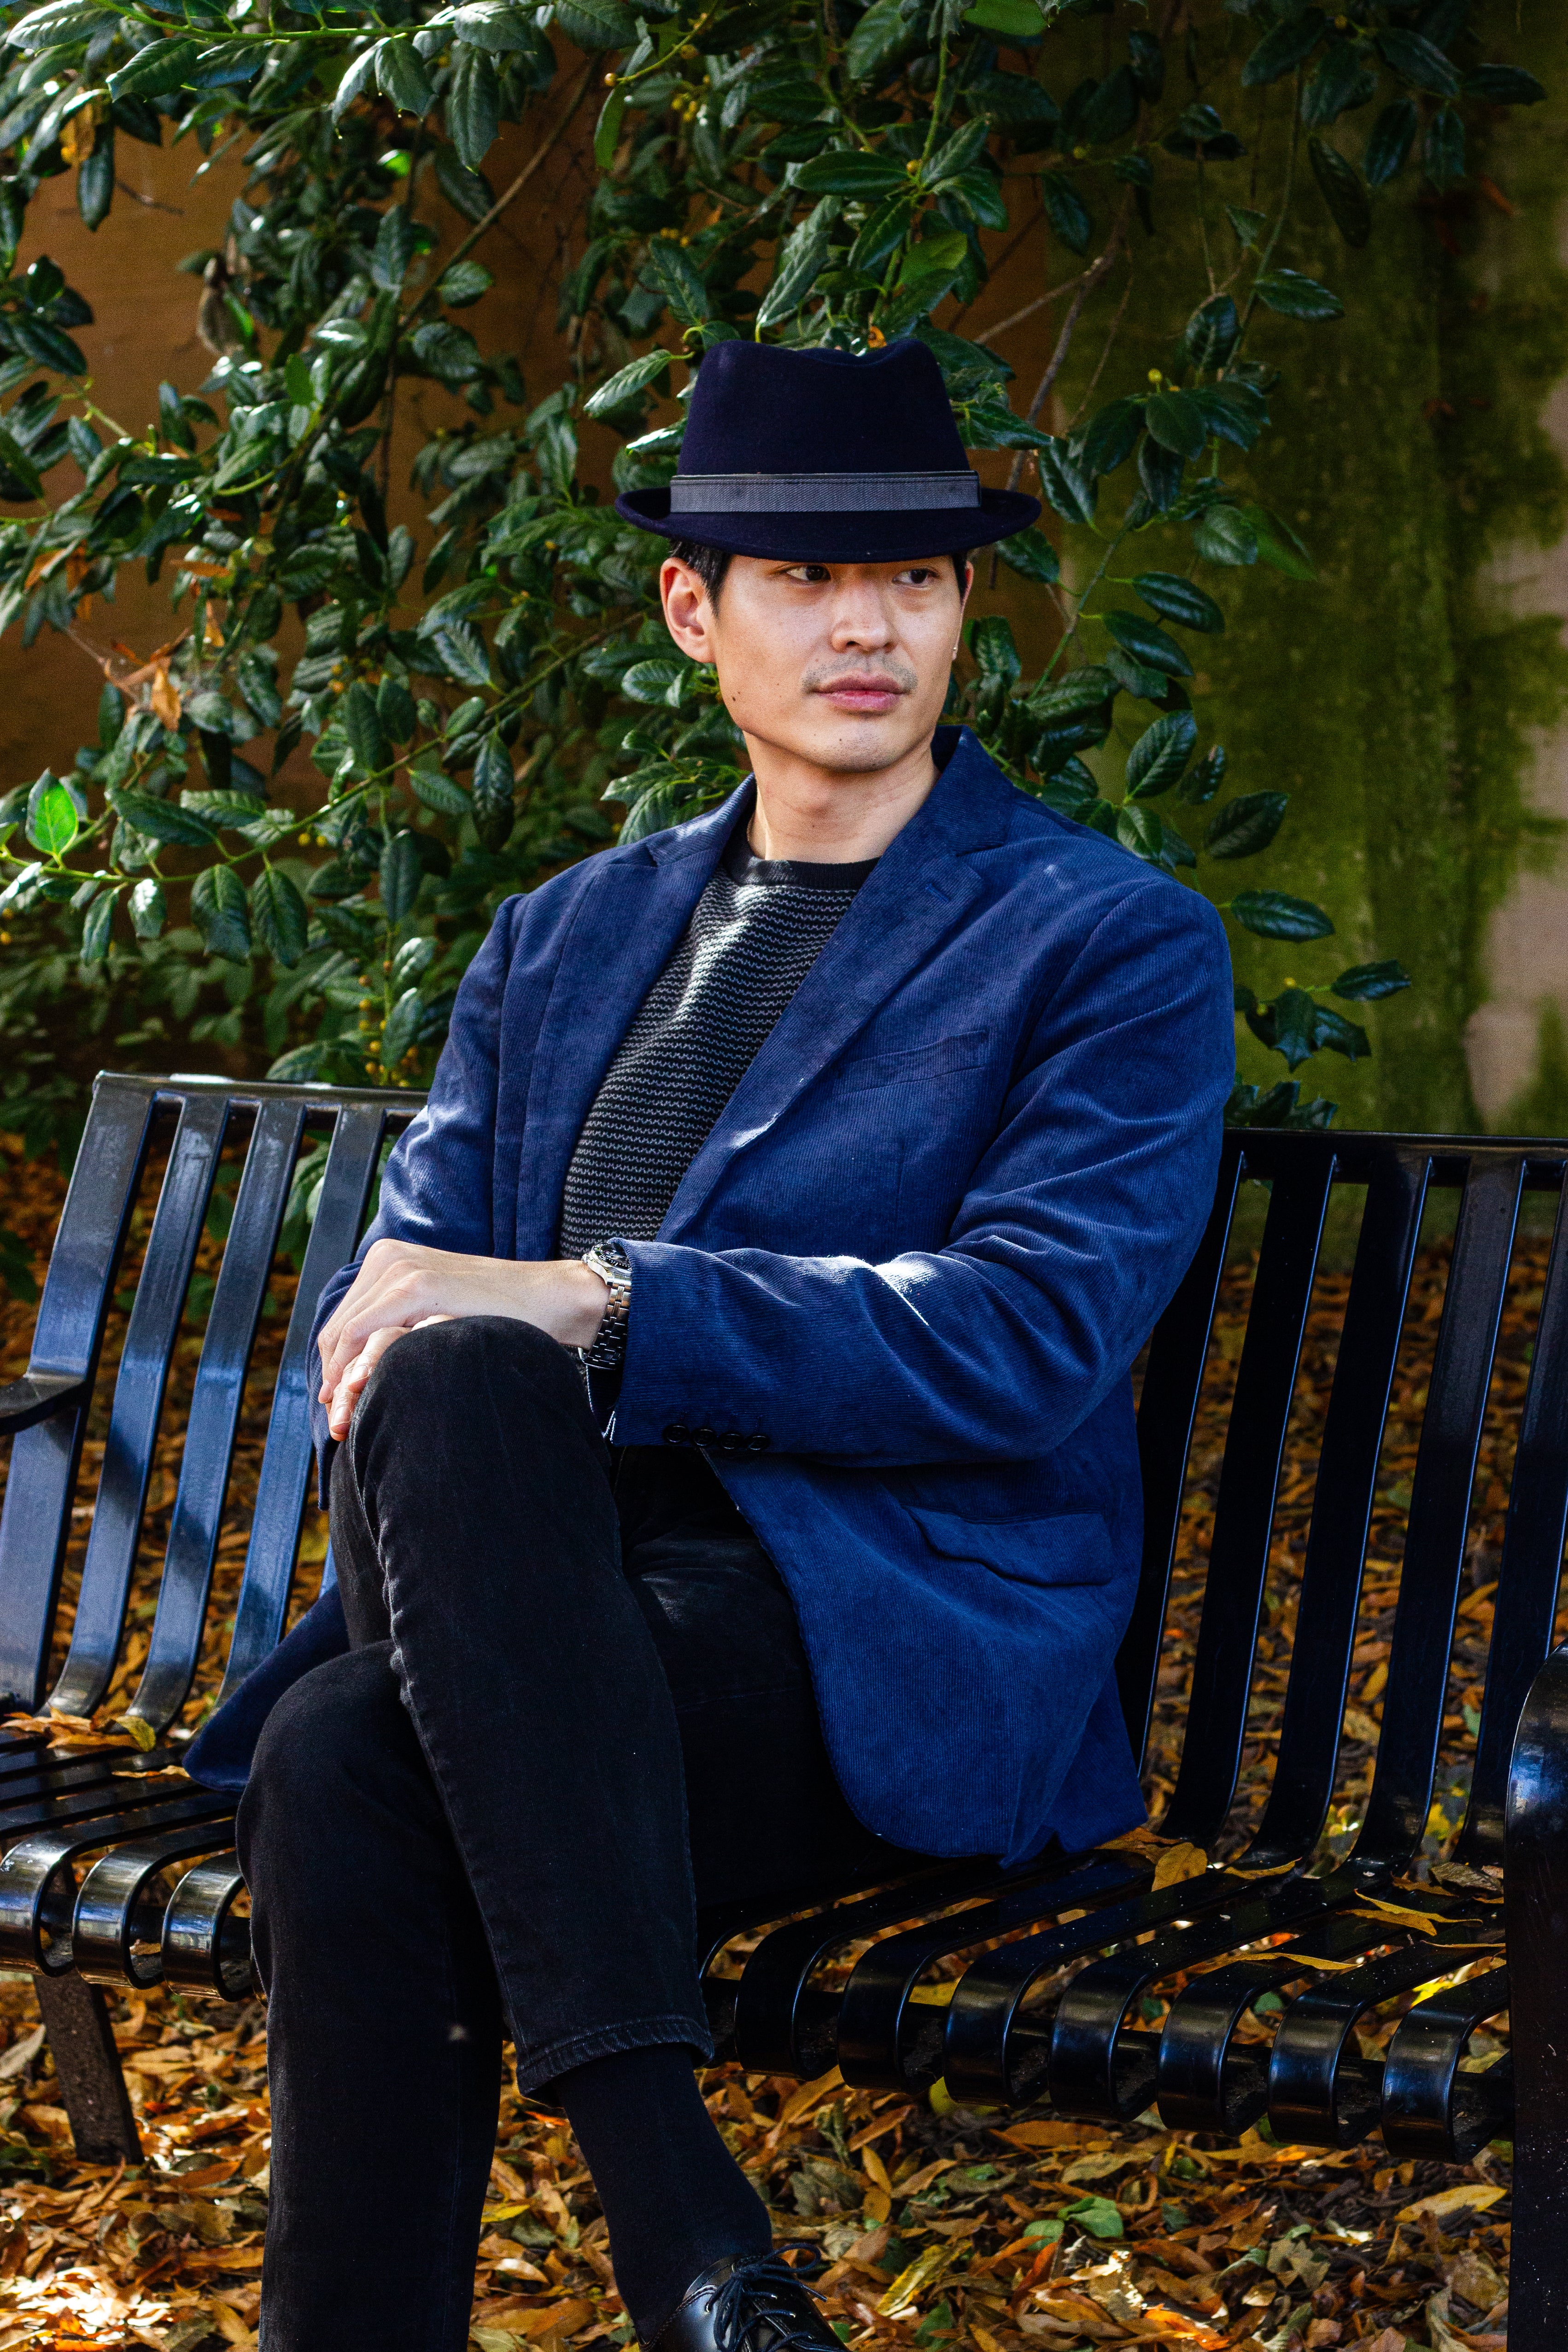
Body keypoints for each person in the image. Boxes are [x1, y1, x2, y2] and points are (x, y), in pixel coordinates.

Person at [194, 336, 1235, 2352]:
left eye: (916, 577)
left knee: (347, 1744)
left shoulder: (1096, 939)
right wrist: (505, 1326)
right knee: (429, 1459)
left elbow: (1022, 1339)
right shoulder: (563, 934)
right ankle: (688, 2238)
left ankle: (618, 2233)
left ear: (957, 611)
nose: (868, 621)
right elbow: (399, 1314)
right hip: (529, 1610)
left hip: (864, 1648)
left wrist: (607, 1297)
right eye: (805, 577)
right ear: (695, 610)